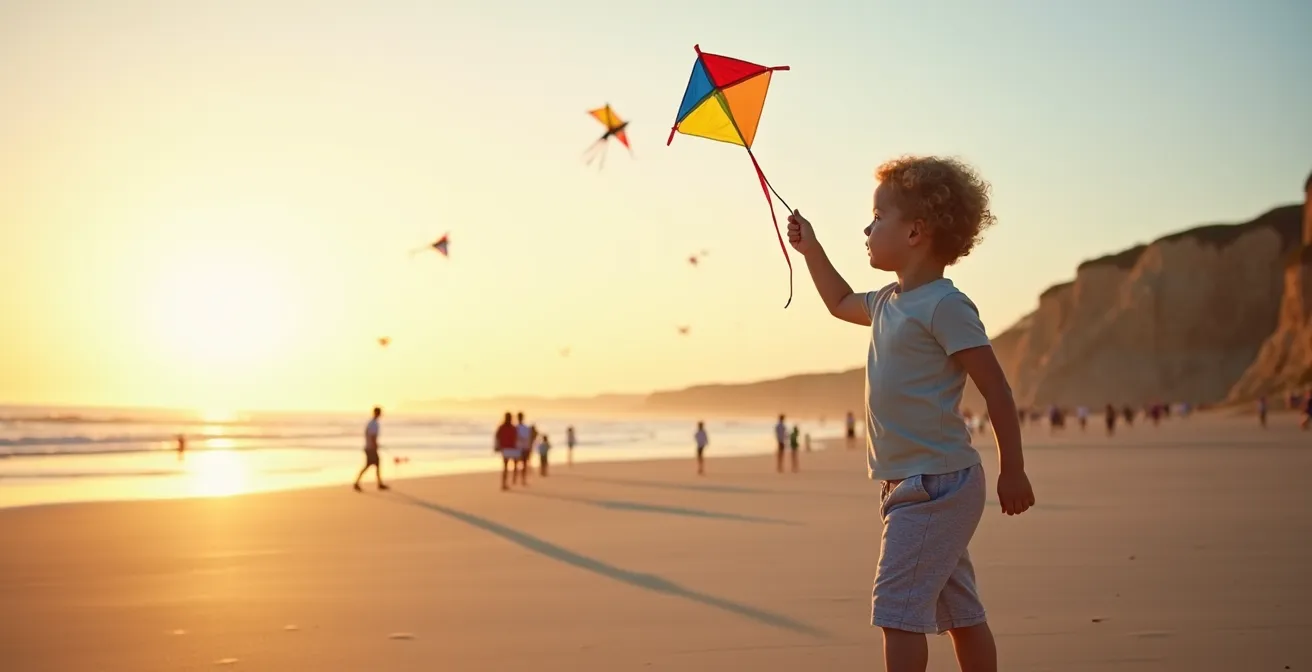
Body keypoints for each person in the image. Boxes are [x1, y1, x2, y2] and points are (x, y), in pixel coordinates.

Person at [788, 155, 1034, 672]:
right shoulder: (884, 302)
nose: (867, 227)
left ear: (916, 231)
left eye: (878, 216)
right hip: (914, 483)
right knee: (959, 610)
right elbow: (837, 300)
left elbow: (996, 389)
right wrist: (811, 249)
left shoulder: (944, 305)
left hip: (936, 484)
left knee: (897, 612)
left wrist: (1014, 467)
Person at [353, 406, 389, 492]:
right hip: (371, 448)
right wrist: (375, 445)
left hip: (369, 447)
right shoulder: (374, 424)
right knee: (370, 465)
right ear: (377, 413)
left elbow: (368, 435)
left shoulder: (371, 423)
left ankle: (379, 483)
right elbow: (373, 436)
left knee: (375, 464)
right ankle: (357, 482)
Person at [495, 412, 519, 491]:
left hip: (507, 448)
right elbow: (516, 438)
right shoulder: (511, 427)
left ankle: (506, 482)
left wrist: (497, 446)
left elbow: (497, 437)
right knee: (510, 465)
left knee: (507, 466)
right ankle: (509, 481)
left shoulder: (503, 427)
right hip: (510, 448)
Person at [515, 412, 531, 486]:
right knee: (523, 464)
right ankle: (522, 479)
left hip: (519, 448)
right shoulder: (526, 428)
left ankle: (516, 479)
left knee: (517, 464)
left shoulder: (516, 427)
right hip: (524, 448)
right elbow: (528, 439)